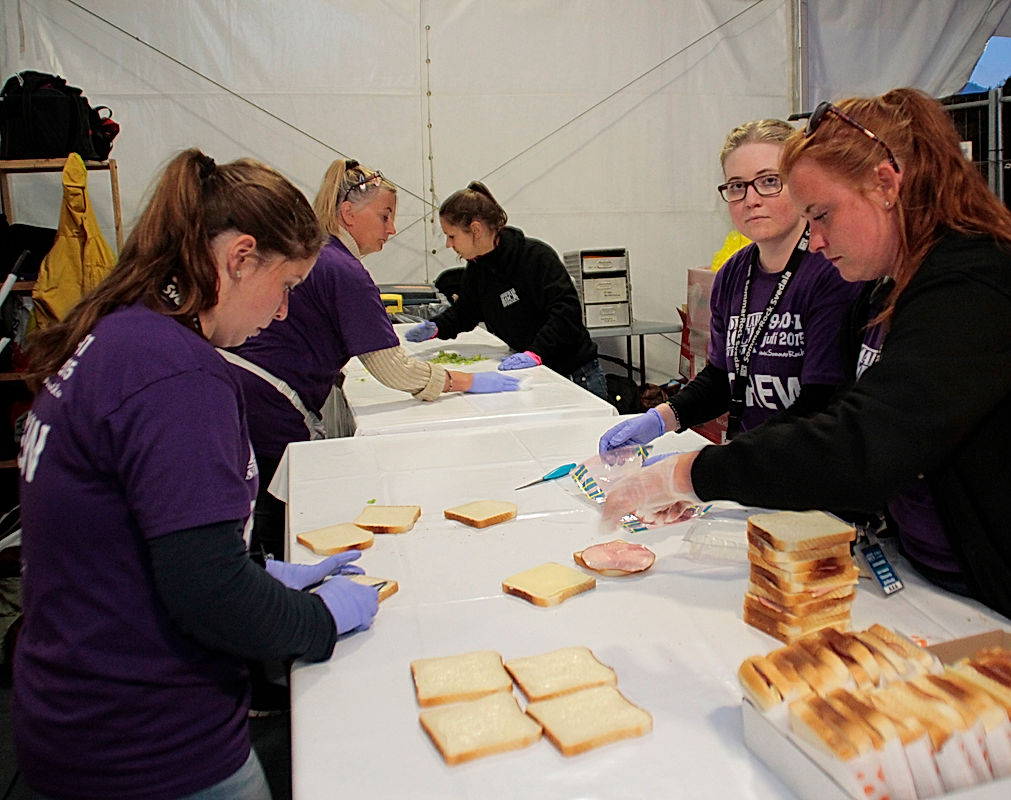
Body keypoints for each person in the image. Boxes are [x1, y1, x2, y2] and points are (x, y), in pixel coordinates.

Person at [600, 89, 1011, 641]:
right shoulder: (885, 287)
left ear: (886, 185)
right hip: (935, 573)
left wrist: (689, 474)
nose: (814, 241)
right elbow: (843, 420)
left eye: (822, 215)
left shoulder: (978, 282)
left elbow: (870, 440)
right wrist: (711, 480)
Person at [13, 149, 381, 800]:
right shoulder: (180, 376)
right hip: (148, 742)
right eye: (287, 286)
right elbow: (206, 591)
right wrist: (316, 621)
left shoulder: (120, 337)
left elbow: (133, 541)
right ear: (240, 258)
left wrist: (261, 573)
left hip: (75, 714)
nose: (285, 312)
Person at [229, 159, 522, 562]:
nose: (391, 229)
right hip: (271, 404)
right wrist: (464, 381)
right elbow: (394, 369)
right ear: (348, 213)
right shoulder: (343, 270)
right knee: (272, 526)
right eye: (385, 216)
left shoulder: (326, 257)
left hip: (252, 395)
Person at [598, 119, 859, 452]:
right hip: (755, 463)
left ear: (802, 183)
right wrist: (662, 417)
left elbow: (823, 400)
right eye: (737, 186)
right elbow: (722, 379)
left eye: (768, 181)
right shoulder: (733, 274)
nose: (751, 199)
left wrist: (725, 463)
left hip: (811, 464)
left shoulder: (831, 269)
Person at [405, 181, 607, 400]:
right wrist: (437, 327)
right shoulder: (477, 267)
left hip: (575, 374)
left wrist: (536, 352)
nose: (448, 244)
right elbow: (466, 312)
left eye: (451, 236)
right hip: (536, 373)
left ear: (475, 229)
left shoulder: (535, 257)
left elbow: (566, 313)